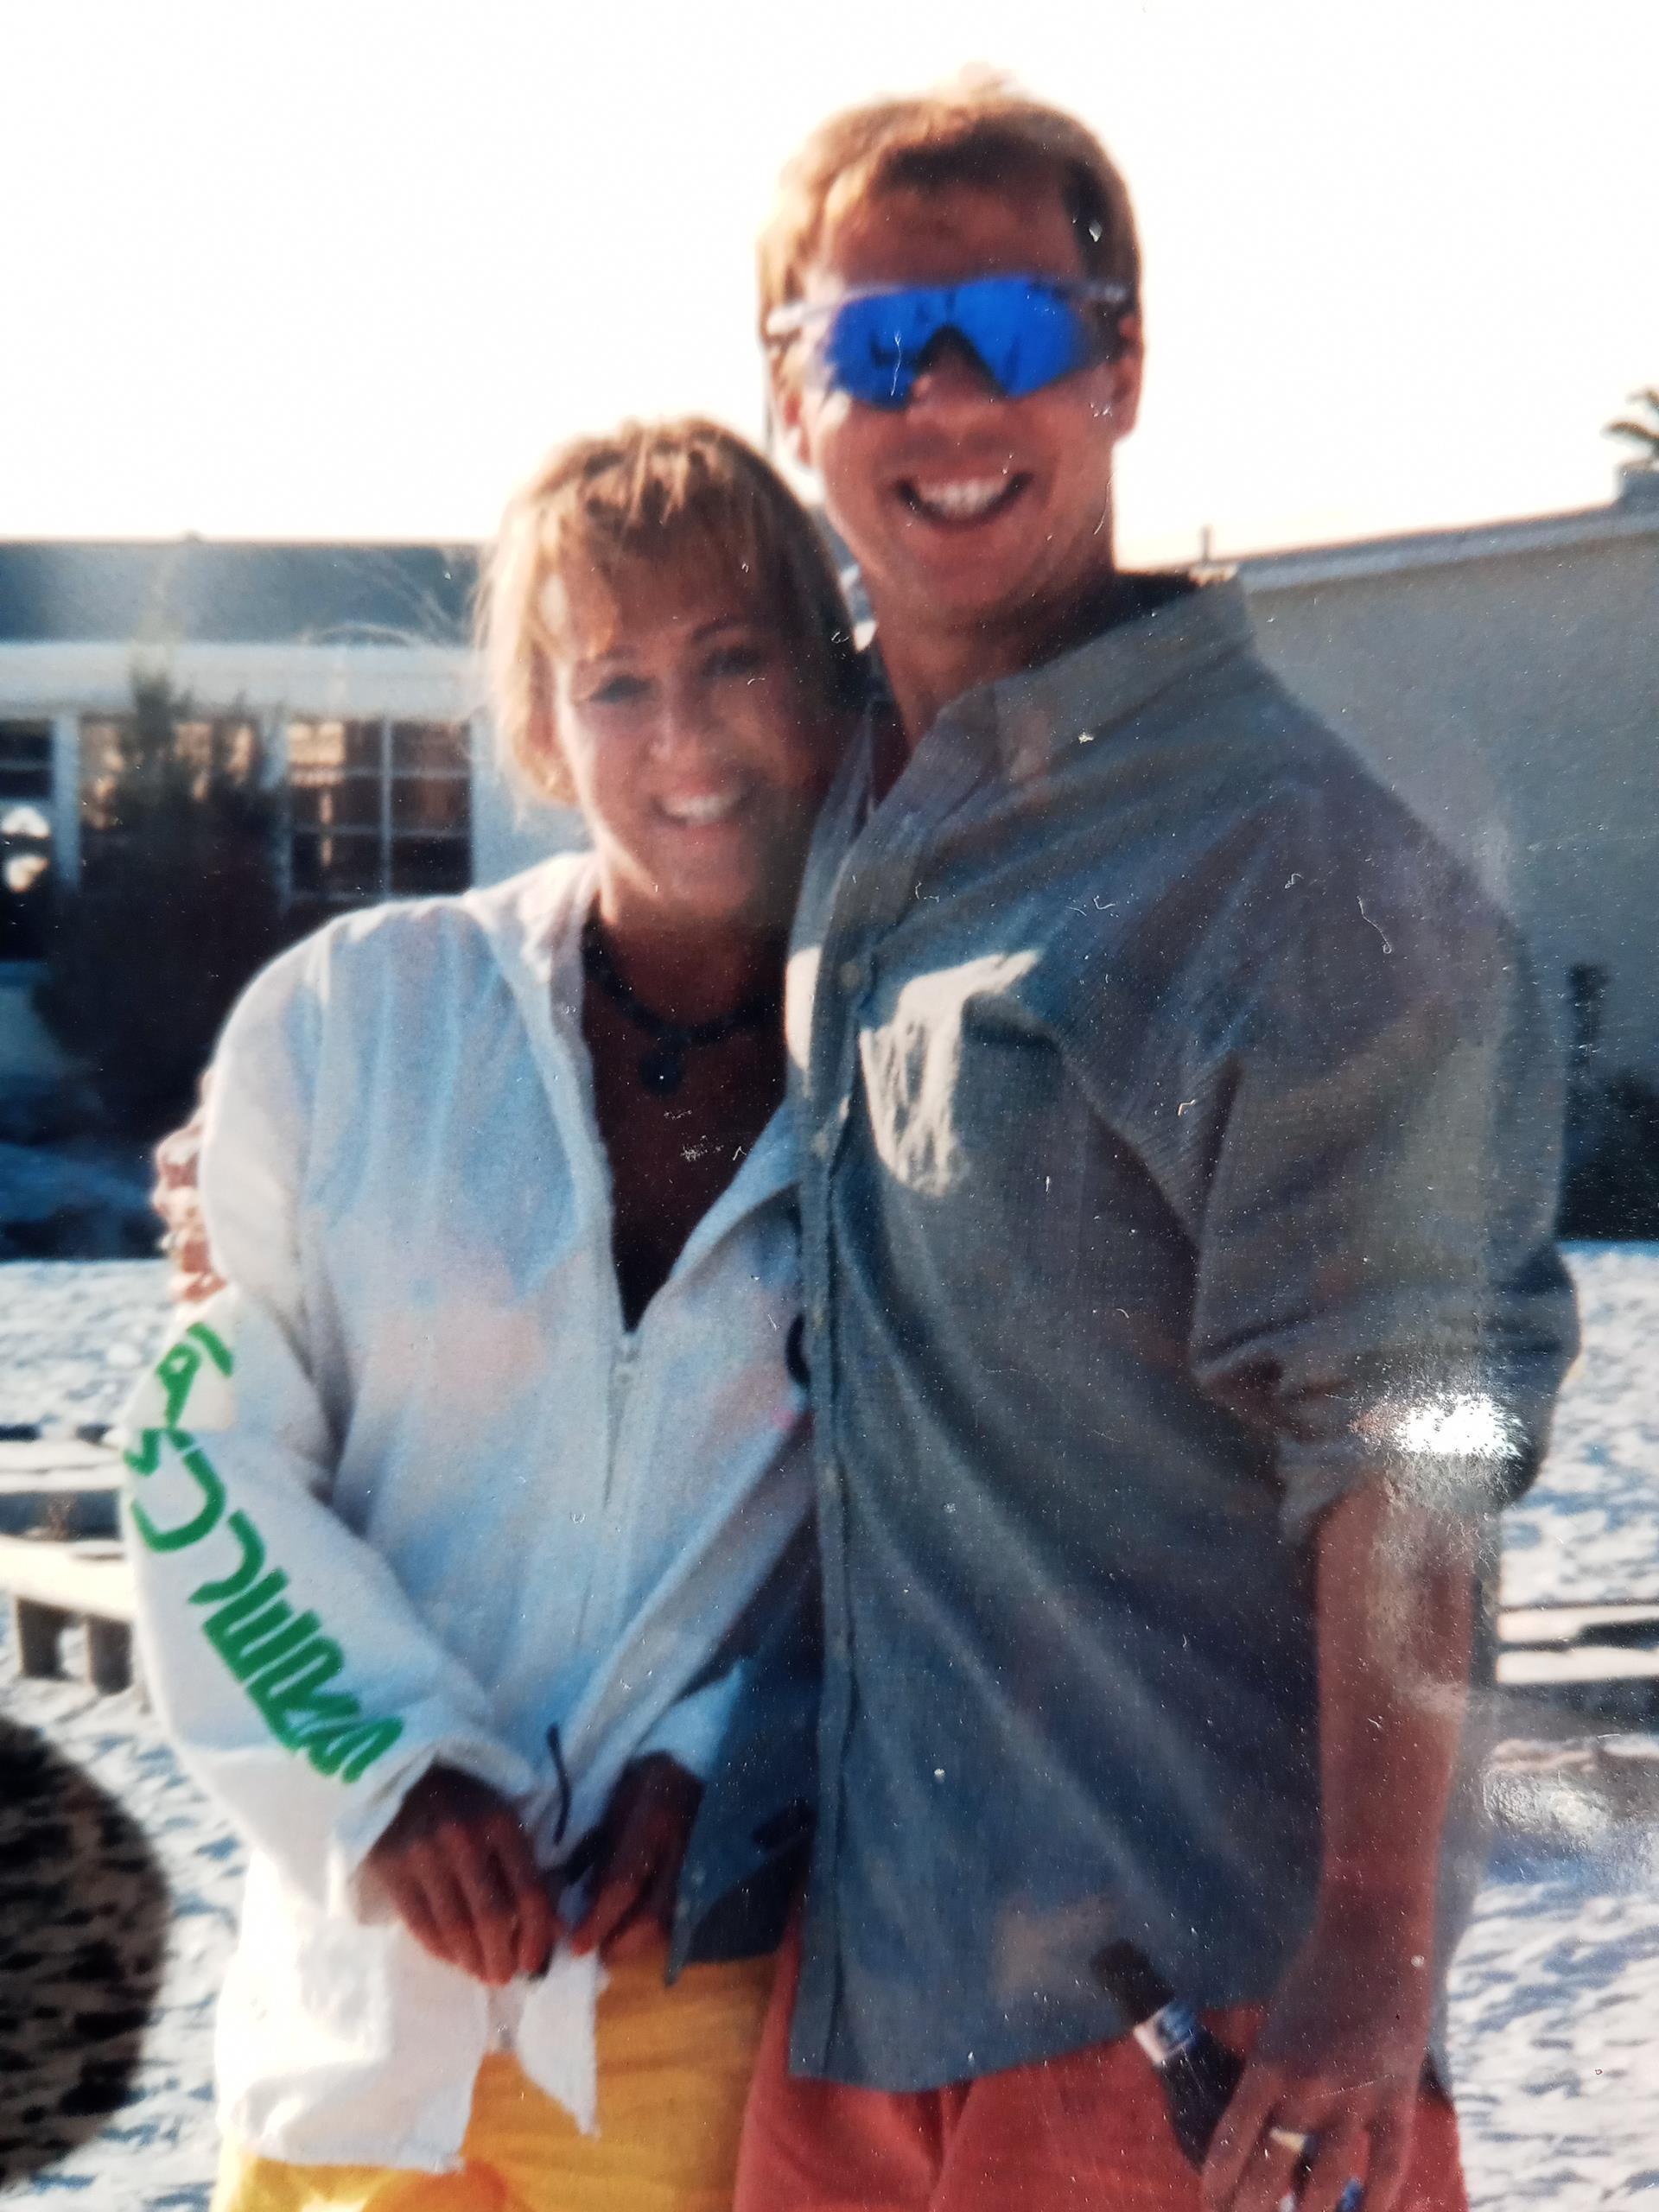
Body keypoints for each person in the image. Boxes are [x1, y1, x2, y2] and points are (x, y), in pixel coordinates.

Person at [730, 83, 1579, 2212]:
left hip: (1193, 2046)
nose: (945, 403)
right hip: (864, 2005)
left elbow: (1420, 1423)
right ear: (785, 381)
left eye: (1011, 331)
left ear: (1121, 366)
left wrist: (1379, 1947)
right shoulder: (841, 800)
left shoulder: (1287, 867)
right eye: (876, 343)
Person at [122, 418, 855, 2212]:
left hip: (682, 2029)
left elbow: (903, 1537)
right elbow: (205, 1454)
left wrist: (718, 1757)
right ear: (538, 723)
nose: (679, 735)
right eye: (615, 681)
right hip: (361, 2031)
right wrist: (386, 1773)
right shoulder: (355, 1019)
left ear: (825, 681)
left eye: (731, 658)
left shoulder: (908, 1087)